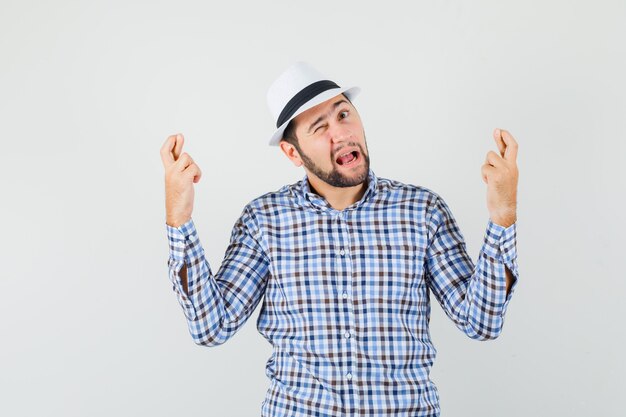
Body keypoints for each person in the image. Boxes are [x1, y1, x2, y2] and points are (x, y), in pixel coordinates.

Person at [159, 61, 519, 417]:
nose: (341, 133)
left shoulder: (422, 211)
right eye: (319, 127)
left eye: (344, 114)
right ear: (292, 153)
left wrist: (502, 214)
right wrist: (180, 219)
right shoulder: (264, 221)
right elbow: (212, 327)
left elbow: (480, 322)